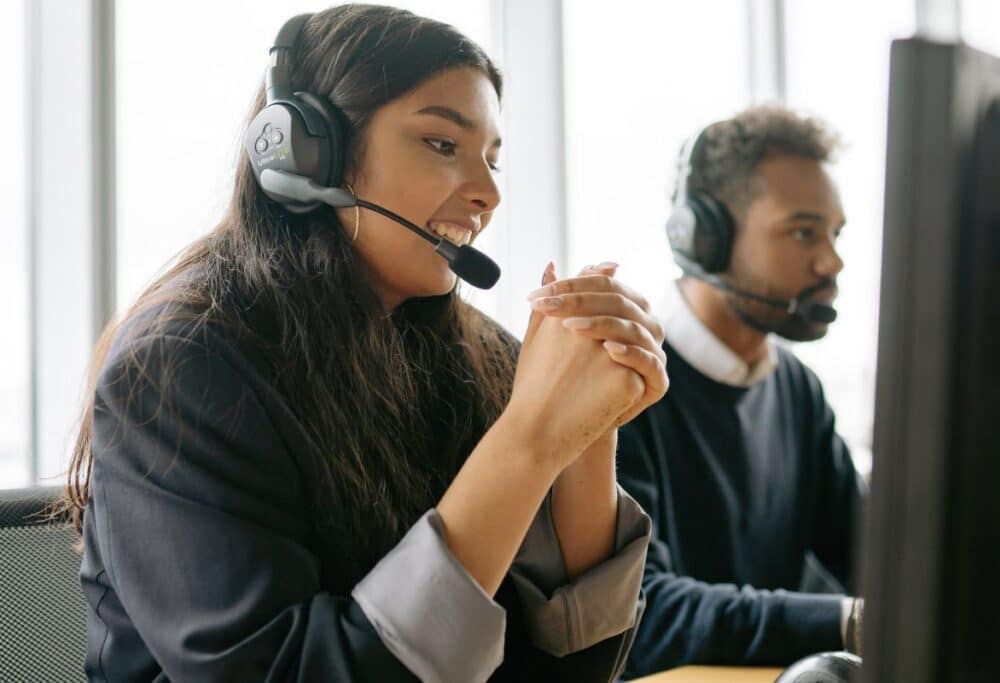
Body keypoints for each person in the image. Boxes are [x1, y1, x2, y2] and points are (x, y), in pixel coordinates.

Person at [62, 6, 669, 681]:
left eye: (493, 158)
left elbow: (571, 670)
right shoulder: (185, 362)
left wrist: (585, 434)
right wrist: (528, 439)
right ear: (304, 152)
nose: (488, 193)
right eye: (443, 144)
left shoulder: (474, 354)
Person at [618, 106, 868, 677]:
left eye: (835, 233)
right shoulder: (624, 382)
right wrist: (848, 621)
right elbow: (642, 613)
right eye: (803, 231)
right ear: (704, 240)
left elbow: (870, 554)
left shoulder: (796, 387)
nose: (832, 260)